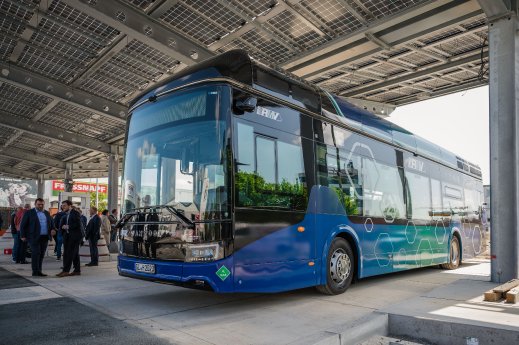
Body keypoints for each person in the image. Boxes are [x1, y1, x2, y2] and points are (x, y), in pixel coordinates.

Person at [19, 198, 56, 277]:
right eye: (39, 204)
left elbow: (51, 223)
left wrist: (53, 229)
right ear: (35, 204)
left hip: (45, 237)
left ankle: (39, 271)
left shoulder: (46, 213)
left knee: (42, 254)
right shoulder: (29, 213)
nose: (40, 206)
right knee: (36, 253)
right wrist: (22, 235)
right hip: (33, 237)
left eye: (42, 204)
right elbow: (22, 225)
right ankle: (35, 271)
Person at [56, 200, 82, 278]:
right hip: (67, 236)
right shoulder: (66, 214)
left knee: (68, 254)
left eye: (64, 205)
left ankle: (66, 271)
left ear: (70, 205)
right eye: (62, 205)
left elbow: (78, 224)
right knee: (74, 254)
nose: (63, 207)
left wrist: (68, 227)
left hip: (74, 237)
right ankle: (77, 270)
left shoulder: (75, 213)